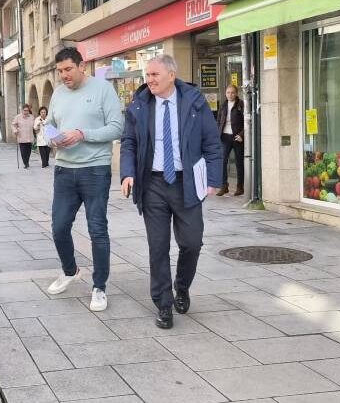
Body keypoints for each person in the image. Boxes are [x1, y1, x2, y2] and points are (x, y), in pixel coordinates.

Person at [120, 55, 223, 329]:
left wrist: (212, 179)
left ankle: (182, 285)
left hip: (185, 182)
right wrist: (128, 173)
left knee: (192, 241)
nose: (149, 80)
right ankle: (163, 304)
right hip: (152, 183)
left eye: (154, 74)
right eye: (147, 75)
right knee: (158, 247)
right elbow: (129, 142)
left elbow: (212, 144)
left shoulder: (195, 103)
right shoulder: (139, 105)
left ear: (171, 75)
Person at [44, 47, 123, 312]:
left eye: (68, 69)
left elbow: (117, 127)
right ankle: (70, 270)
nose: (64, 75)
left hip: (95, 169)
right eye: (60, 71)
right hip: (64, 170)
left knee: (97, 229)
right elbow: (48, 124)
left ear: (82, 66)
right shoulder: (58, 93)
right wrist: (52, 136)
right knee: (58, 226)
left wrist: (82, 134)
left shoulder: (103, 89)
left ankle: (99, 286)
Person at [216, 84, 245, 196]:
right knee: (222, 162)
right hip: (225, 137)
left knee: (239, 163)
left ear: (236, 93)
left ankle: (240, 187)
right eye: (228, 92)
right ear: (225, 93)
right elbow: (219, 121)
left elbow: (247, 121)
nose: (230, 94)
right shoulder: (223, 105)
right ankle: (224, 186)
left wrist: (242, 135)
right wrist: (218, 134)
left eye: (232, 92)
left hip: (237, 137)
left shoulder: (241, 104)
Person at [13, 104, 36, 169]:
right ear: (22, 110)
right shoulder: (17, 117)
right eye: (25, 110)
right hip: (21, 137)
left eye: (27, 110)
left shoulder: (32, 117)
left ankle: (27, 162)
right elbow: (13, 125)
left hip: (29, 137)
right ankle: (25, 163)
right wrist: (15, 130)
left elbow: (34, 125)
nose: (26, 112)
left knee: (28, 152)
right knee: (23, 152)